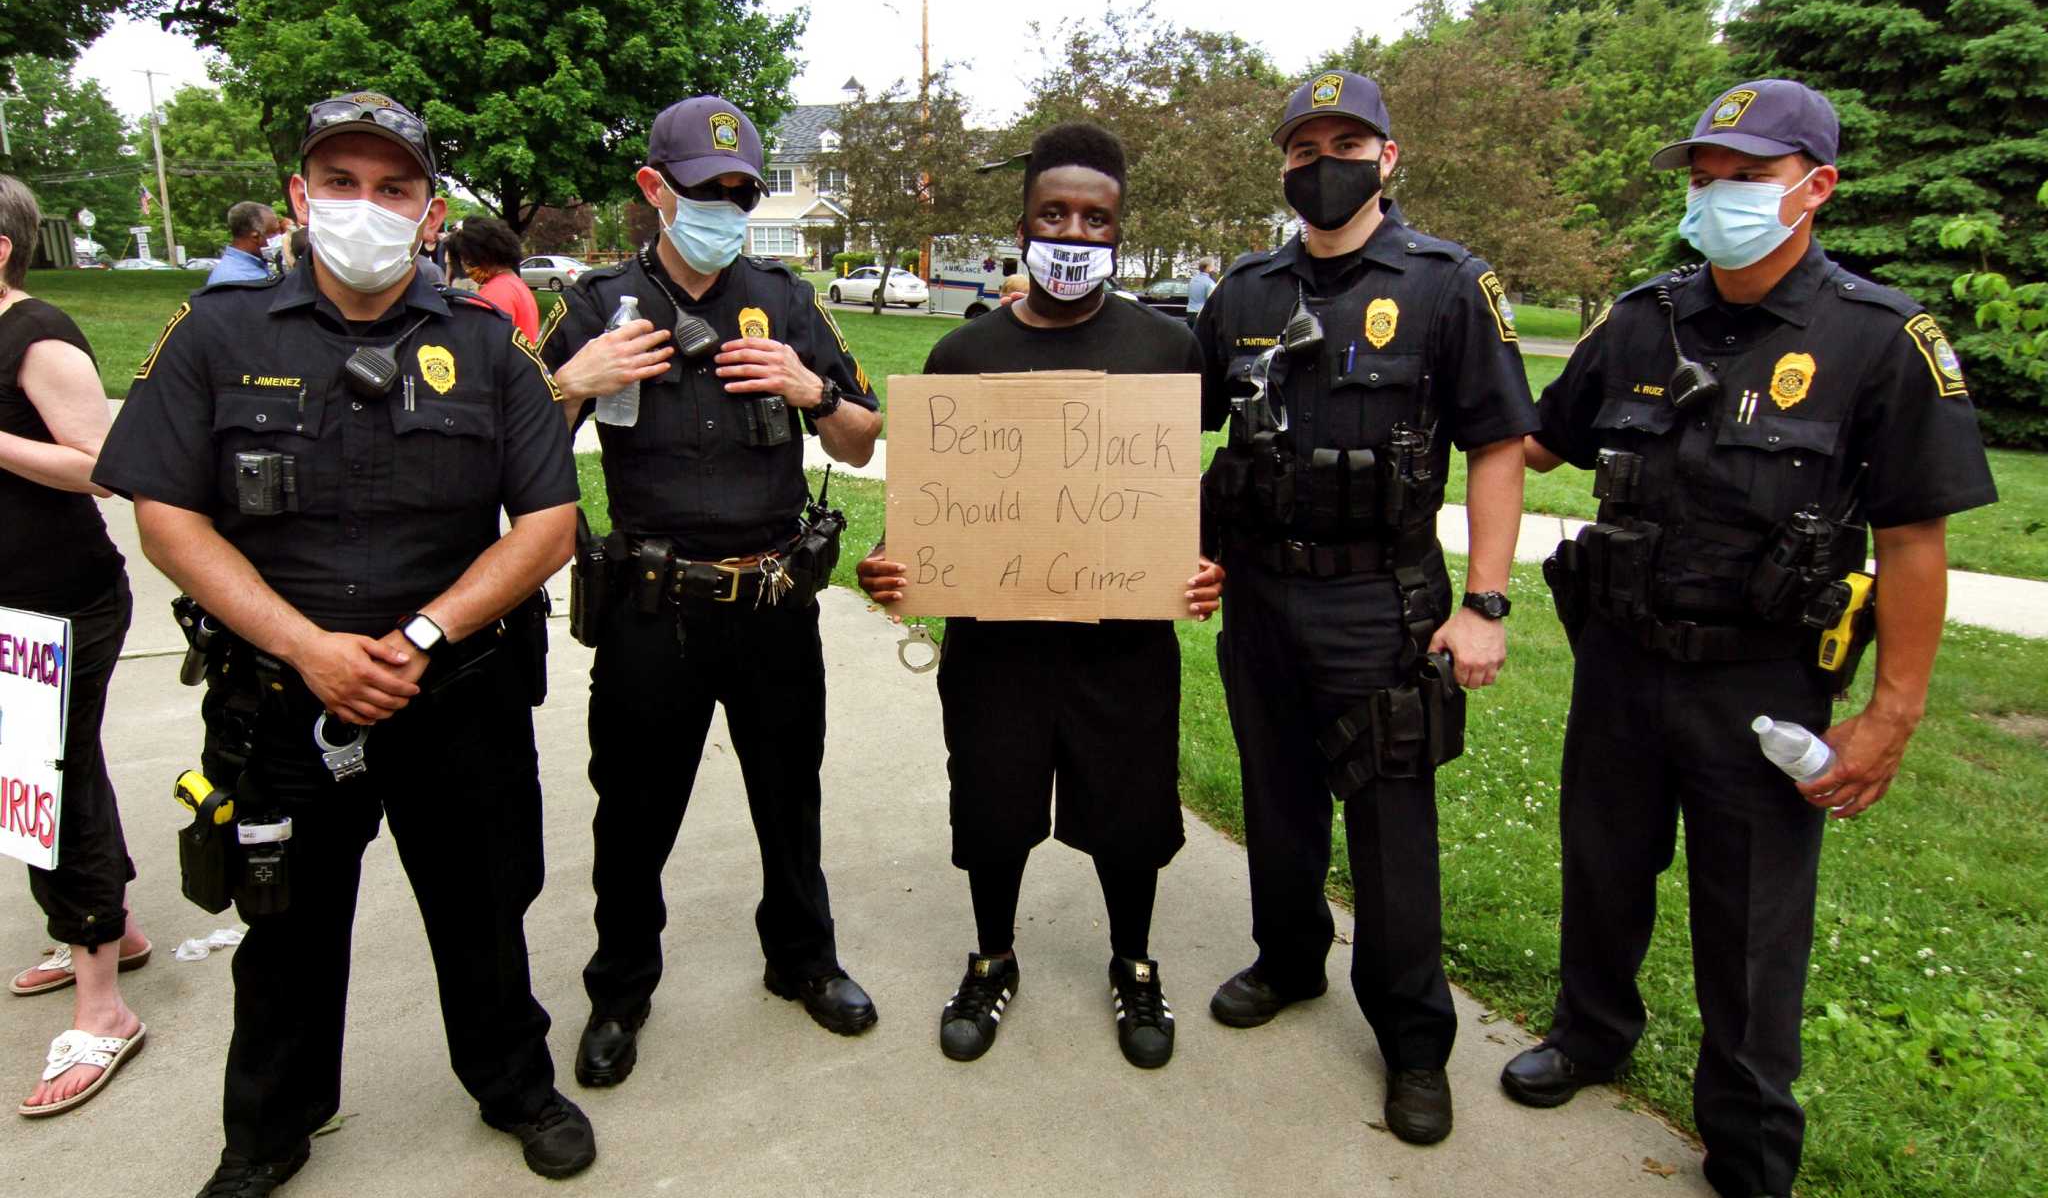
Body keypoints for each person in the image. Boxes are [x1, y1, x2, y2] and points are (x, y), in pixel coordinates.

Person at [1502, 79, 1997, 1198]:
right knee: (1601, 870)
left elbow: (1913, 539)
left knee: (1751, 926)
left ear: (1813, 186)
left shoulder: (1879, 339)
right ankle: (1588, 1034)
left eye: (1746, 174)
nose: (1715, 194)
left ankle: (1749, 1158)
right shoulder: (1640, 320)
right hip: (1620, 658)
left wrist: (1891, 711)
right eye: (1703, 174)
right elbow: (1532, 441)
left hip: (1762, 683)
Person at [91, 91, 591, 1198]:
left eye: (394, 187)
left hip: (453, 697)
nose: (366, 205)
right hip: (280, 701)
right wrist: (308, 646)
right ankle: (264, 1136)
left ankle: (514, 1085)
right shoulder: (215, 333)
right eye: (341, 182)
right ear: (299, 195)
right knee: (285, 933)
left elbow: (548, 524)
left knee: (483, 912)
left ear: (430, 212)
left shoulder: (487, 345)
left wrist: (419, 636)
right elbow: (166, 516)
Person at [1195, 71, 1537, 1144]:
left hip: (1379, 600)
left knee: (1390, 826)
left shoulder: (1446, 285)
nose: (1323, 164)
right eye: (1303, 149)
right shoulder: (1245, 290)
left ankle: (1412, 1039)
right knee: (1277, 795)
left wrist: (1484, 602)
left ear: (1387, 158)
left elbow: (1498, 447)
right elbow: (1169, 419)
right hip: (1261, 591)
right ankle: (1288, 959)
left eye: (1346, 145)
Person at [856, 123, 1225, 1070]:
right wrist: (890, 562)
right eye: (1053, 214)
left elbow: (1178, 493)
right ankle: (992, 956)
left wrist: (1203, 564)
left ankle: (1134, 963)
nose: (1073, 233)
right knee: (991, 806)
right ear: (1021, 227)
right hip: (997, 643)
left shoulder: (1167, 348)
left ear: (1120, 231)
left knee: (1131, 811)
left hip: (1123, 640)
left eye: (1095, 219)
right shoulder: (962, 355)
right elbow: (925, 511)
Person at [540, 96, 884, 1089]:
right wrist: (574, 381)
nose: (726, 207)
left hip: (773, 599)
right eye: (705, 189)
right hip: (654, 608)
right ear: (654, 188)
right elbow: (514, 451)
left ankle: (803, 957)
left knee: (790, 794)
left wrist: (812, 389)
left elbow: (862, 437)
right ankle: (620, 987)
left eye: (742, 191)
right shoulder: (598, 302)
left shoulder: (783, 298)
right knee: (632, 811)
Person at [0, 174, 153, 1116]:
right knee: (47, 774)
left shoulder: (37, 334)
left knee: (47, 781)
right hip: (11, 608)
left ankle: (103, 1006)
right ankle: (109, 930)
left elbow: (103, 467)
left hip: (58, 606)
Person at [457, 216, 539, 341]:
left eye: (468, 261)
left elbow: (482, 343)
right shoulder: (514, 283)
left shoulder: (494, 294)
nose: (467, 269)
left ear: (483, 257)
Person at [206, 202, 283, 286]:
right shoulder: (237, 280)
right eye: (274, 233)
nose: (280, 237)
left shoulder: (254, 266)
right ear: (255, 237)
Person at [1185, 258, 1215, 326]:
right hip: (1202, 315)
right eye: (1213, 266)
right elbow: (1211, 301)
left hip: (1190, 313)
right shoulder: (1209, 282)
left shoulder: (1192, 280)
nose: (1213, 268)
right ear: (1208, 267)